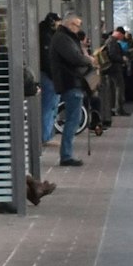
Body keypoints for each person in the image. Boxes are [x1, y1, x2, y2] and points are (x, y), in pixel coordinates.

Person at [45, 12, 94, 166]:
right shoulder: (62, 38)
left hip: (73, 81)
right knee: (73, 118)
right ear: (67, 23)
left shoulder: (66, 37)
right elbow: (74, 57)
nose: (77, 28)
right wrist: (89, 60)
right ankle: (66, 155)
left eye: (79, 25)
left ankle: (67, 153)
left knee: (75, 118)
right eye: (75, 24)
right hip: (70, 81)